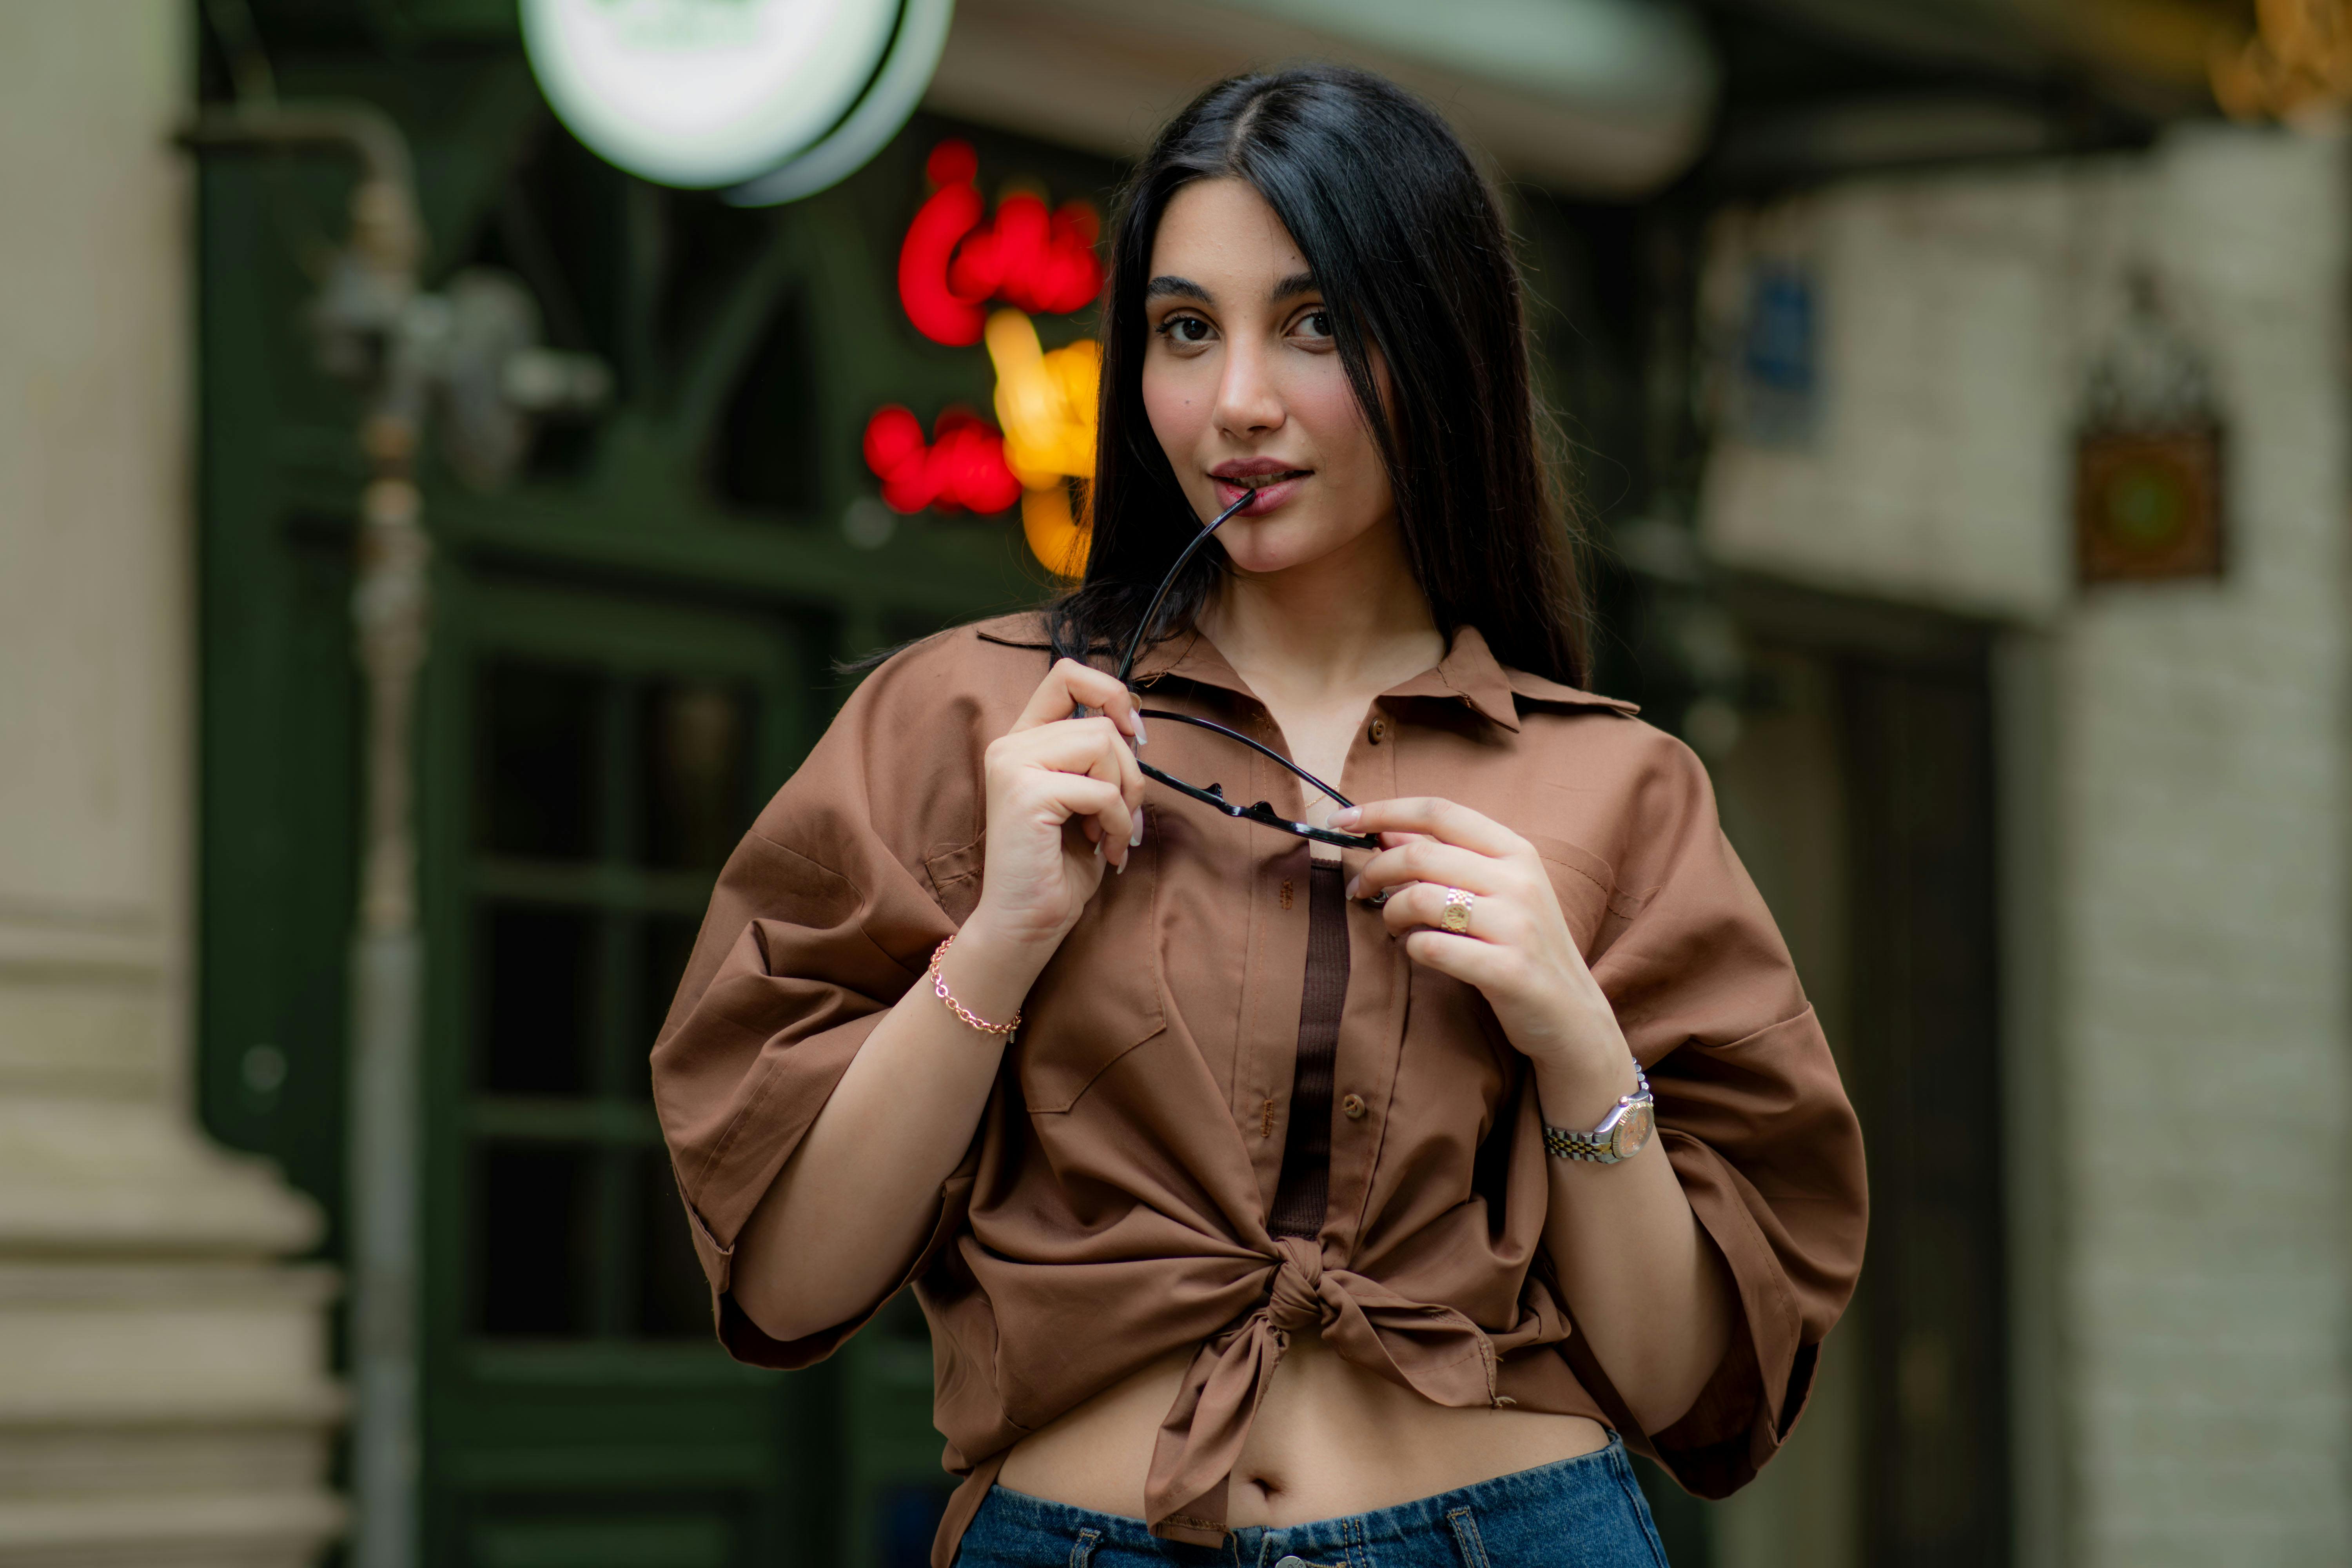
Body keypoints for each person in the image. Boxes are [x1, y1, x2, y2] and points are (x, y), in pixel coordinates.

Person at [653, 64, 1866, 1568]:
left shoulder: (1616, 787)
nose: (1235, 402)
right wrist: (1003, 938)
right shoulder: (971, 723)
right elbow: (783, 1287)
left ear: (1438, 346)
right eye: (1184, 329)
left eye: (1312, 326)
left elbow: (1692, 1392)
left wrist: (1576, 1038)